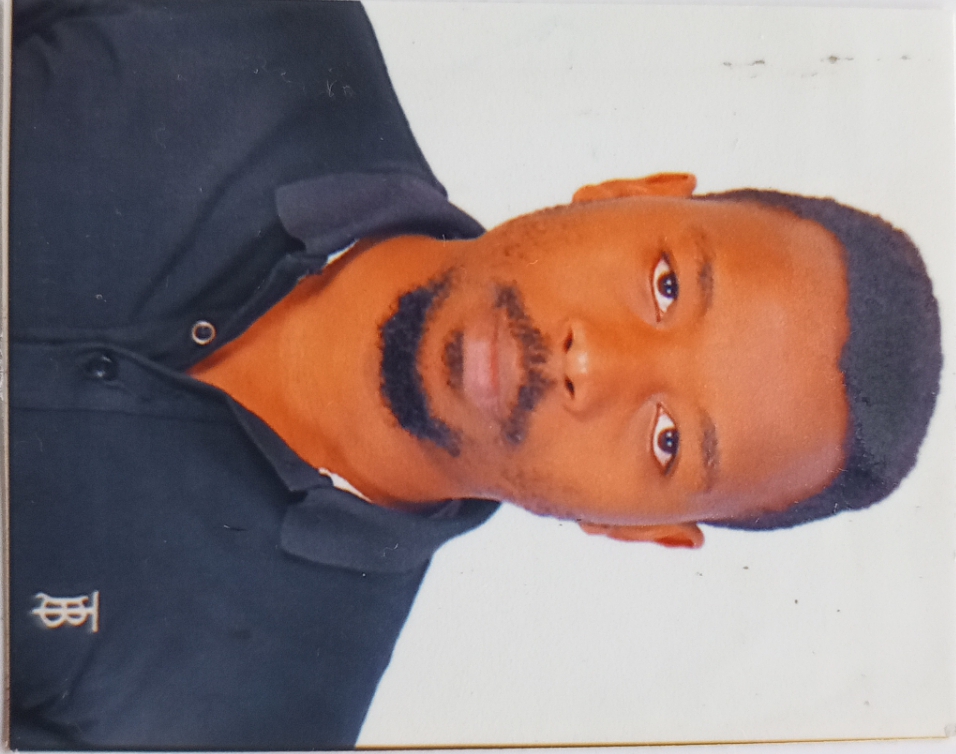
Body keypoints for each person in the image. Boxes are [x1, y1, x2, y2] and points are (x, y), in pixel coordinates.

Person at [8, 0, 941, 750]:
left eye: (667, 440)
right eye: (665, 285)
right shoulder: (249, 22)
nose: (590, 361)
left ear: (636, 529)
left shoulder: (254, 727)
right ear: (625, 194)